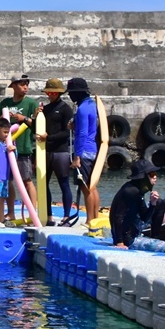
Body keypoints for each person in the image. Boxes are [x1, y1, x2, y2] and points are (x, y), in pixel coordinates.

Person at [0, 74, 39, 220]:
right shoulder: (5, 103)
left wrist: (24, 119)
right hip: (6, 148)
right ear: (13, 86)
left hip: (23, 148)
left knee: (27, 180)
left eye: (27, 84)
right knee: (7, 181)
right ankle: (11, 212)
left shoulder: (31, 104)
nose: (25, 87)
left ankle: (33, 212)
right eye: (22, 84)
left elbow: (39, 125)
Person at [37, 79, 75, 225]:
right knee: (43, 183)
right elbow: (36, 128)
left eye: (53, 93)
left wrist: (50, 137)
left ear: (59, 93)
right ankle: (49, 216)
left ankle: (66, 216)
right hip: (45, 151)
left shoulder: (65, 109)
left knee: (64, 183)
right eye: (48, 92)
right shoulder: (45, 109)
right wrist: (34, 117)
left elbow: (67, 133)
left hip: (60, 151)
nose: (50, 95)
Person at [67, 77, 100, 222]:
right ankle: (95, 218)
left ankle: (90, 220)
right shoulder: (92, 105)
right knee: (93, 186)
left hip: (84, 151)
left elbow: (82, 133)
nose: (70, 96)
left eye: (71, 93)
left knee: (86, 187)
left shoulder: (82, 109)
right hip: (93, 149)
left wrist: (77, 157)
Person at [109, 159, 162, 248]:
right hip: (128, 239)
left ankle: (155, 237)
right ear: (143, 177)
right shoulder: (131, 191)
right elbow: (118, 216)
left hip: (134, 231)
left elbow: (144, 217)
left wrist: (153, 204)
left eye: (155, 174)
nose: (155, 177)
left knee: (160, 203)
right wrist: (120, 242)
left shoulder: (138, 190)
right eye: (152, 174)